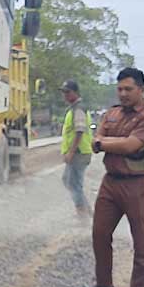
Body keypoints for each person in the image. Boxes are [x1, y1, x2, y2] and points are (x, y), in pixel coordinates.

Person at [80, 67, 144, 287]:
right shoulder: (112, 113)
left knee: (140, 236)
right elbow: (96, 139)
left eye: (128, 89)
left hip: (138, 184)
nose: (123, 94)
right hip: (111, 182)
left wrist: (105, 143)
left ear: (141, 89)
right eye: (120, 89)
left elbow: (131, 146)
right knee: (99, 233)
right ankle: (104, 284)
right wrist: (110, 142)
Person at [59, 79, 93, 215]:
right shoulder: (74, 109)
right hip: (78, 152)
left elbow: (79, 131)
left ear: (75, 93)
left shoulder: (78, 109)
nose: (65, 95)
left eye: (68, 92)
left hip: (79, 153)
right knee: (68, 181)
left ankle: (83, 212)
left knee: (73, 183)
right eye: (63, 93)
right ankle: (86, 209)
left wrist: (71, 152)